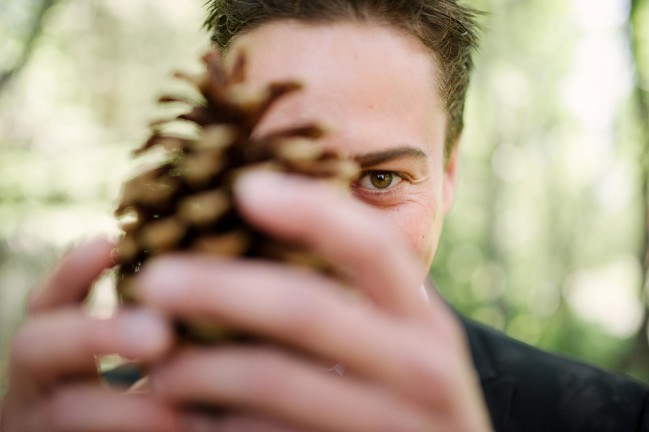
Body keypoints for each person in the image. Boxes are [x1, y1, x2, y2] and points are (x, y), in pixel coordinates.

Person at [1, 1, 648, 431]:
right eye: (277, 174)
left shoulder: (613, 420)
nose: (323, 235)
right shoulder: (104, 412)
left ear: (447, 176)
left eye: (380, 178)